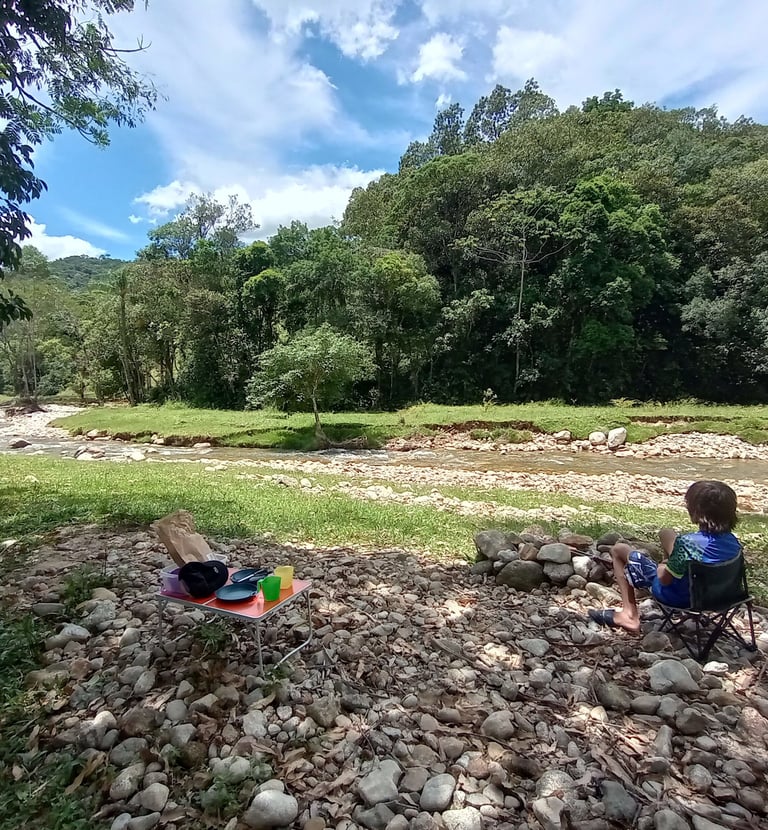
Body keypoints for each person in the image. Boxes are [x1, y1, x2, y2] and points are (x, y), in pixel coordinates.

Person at [588, 479, 741, 633]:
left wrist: (664, 564)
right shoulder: (733, 543)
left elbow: (664, 579)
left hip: (683, 599)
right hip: (722, 598)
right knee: (666, 533)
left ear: (697, 511)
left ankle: (629, 615)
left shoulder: (687, 544)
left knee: (619, 549)